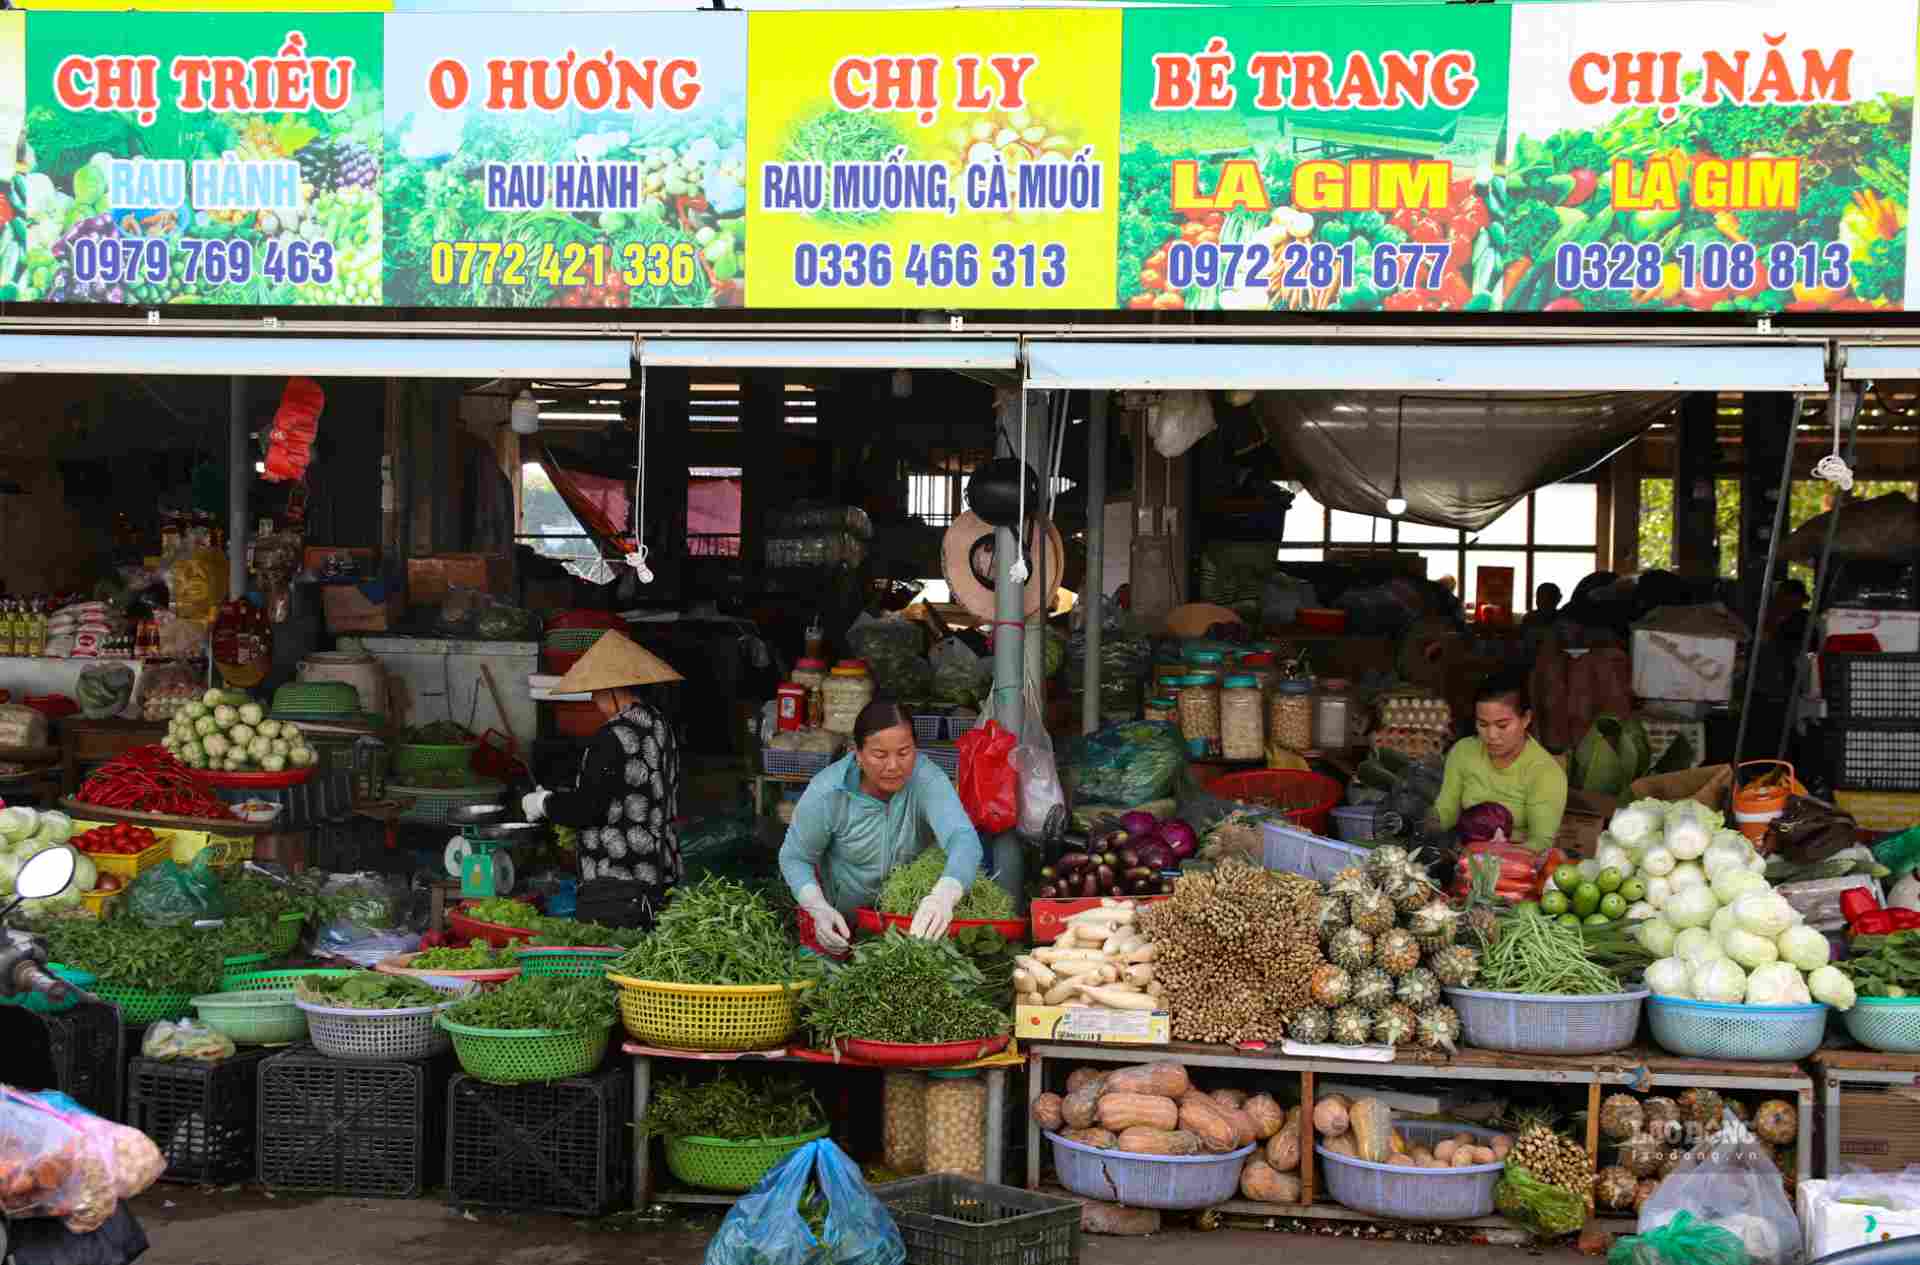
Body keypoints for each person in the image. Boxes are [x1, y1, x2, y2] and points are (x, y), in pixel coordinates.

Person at [778, 699, 984, 954]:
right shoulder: (829, 792)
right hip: (839, 920)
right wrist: (818, 907)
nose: (893, 766)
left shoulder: (926, 779)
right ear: (858, 754)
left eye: (904, 752)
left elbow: (962, 837)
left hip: (909, 923)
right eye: (880, 755)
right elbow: (795, 857)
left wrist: (944, 895)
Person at [521, 631, 684, 930]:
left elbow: (589, 808)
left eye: (597, 691)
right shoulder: (660, 725)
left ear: (614, 689)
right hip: (661, 872)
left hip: (618, 886)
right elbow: (626, 791)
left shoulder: (611, 737)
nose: (595, 700)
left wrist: (544, 803)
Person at [1431, 671, 1568, 851]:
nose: (1491, 735)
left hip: (1518, 865)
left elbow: (1541, 842)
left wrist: (1494, 857)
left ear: (1526, 719)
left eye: (1502, 725)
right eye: (1483, 724)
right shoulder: (1464, 752)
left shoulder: (1544, 771)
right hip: (1465, 856)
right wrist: (1424, 825)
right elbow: (1446, 811)